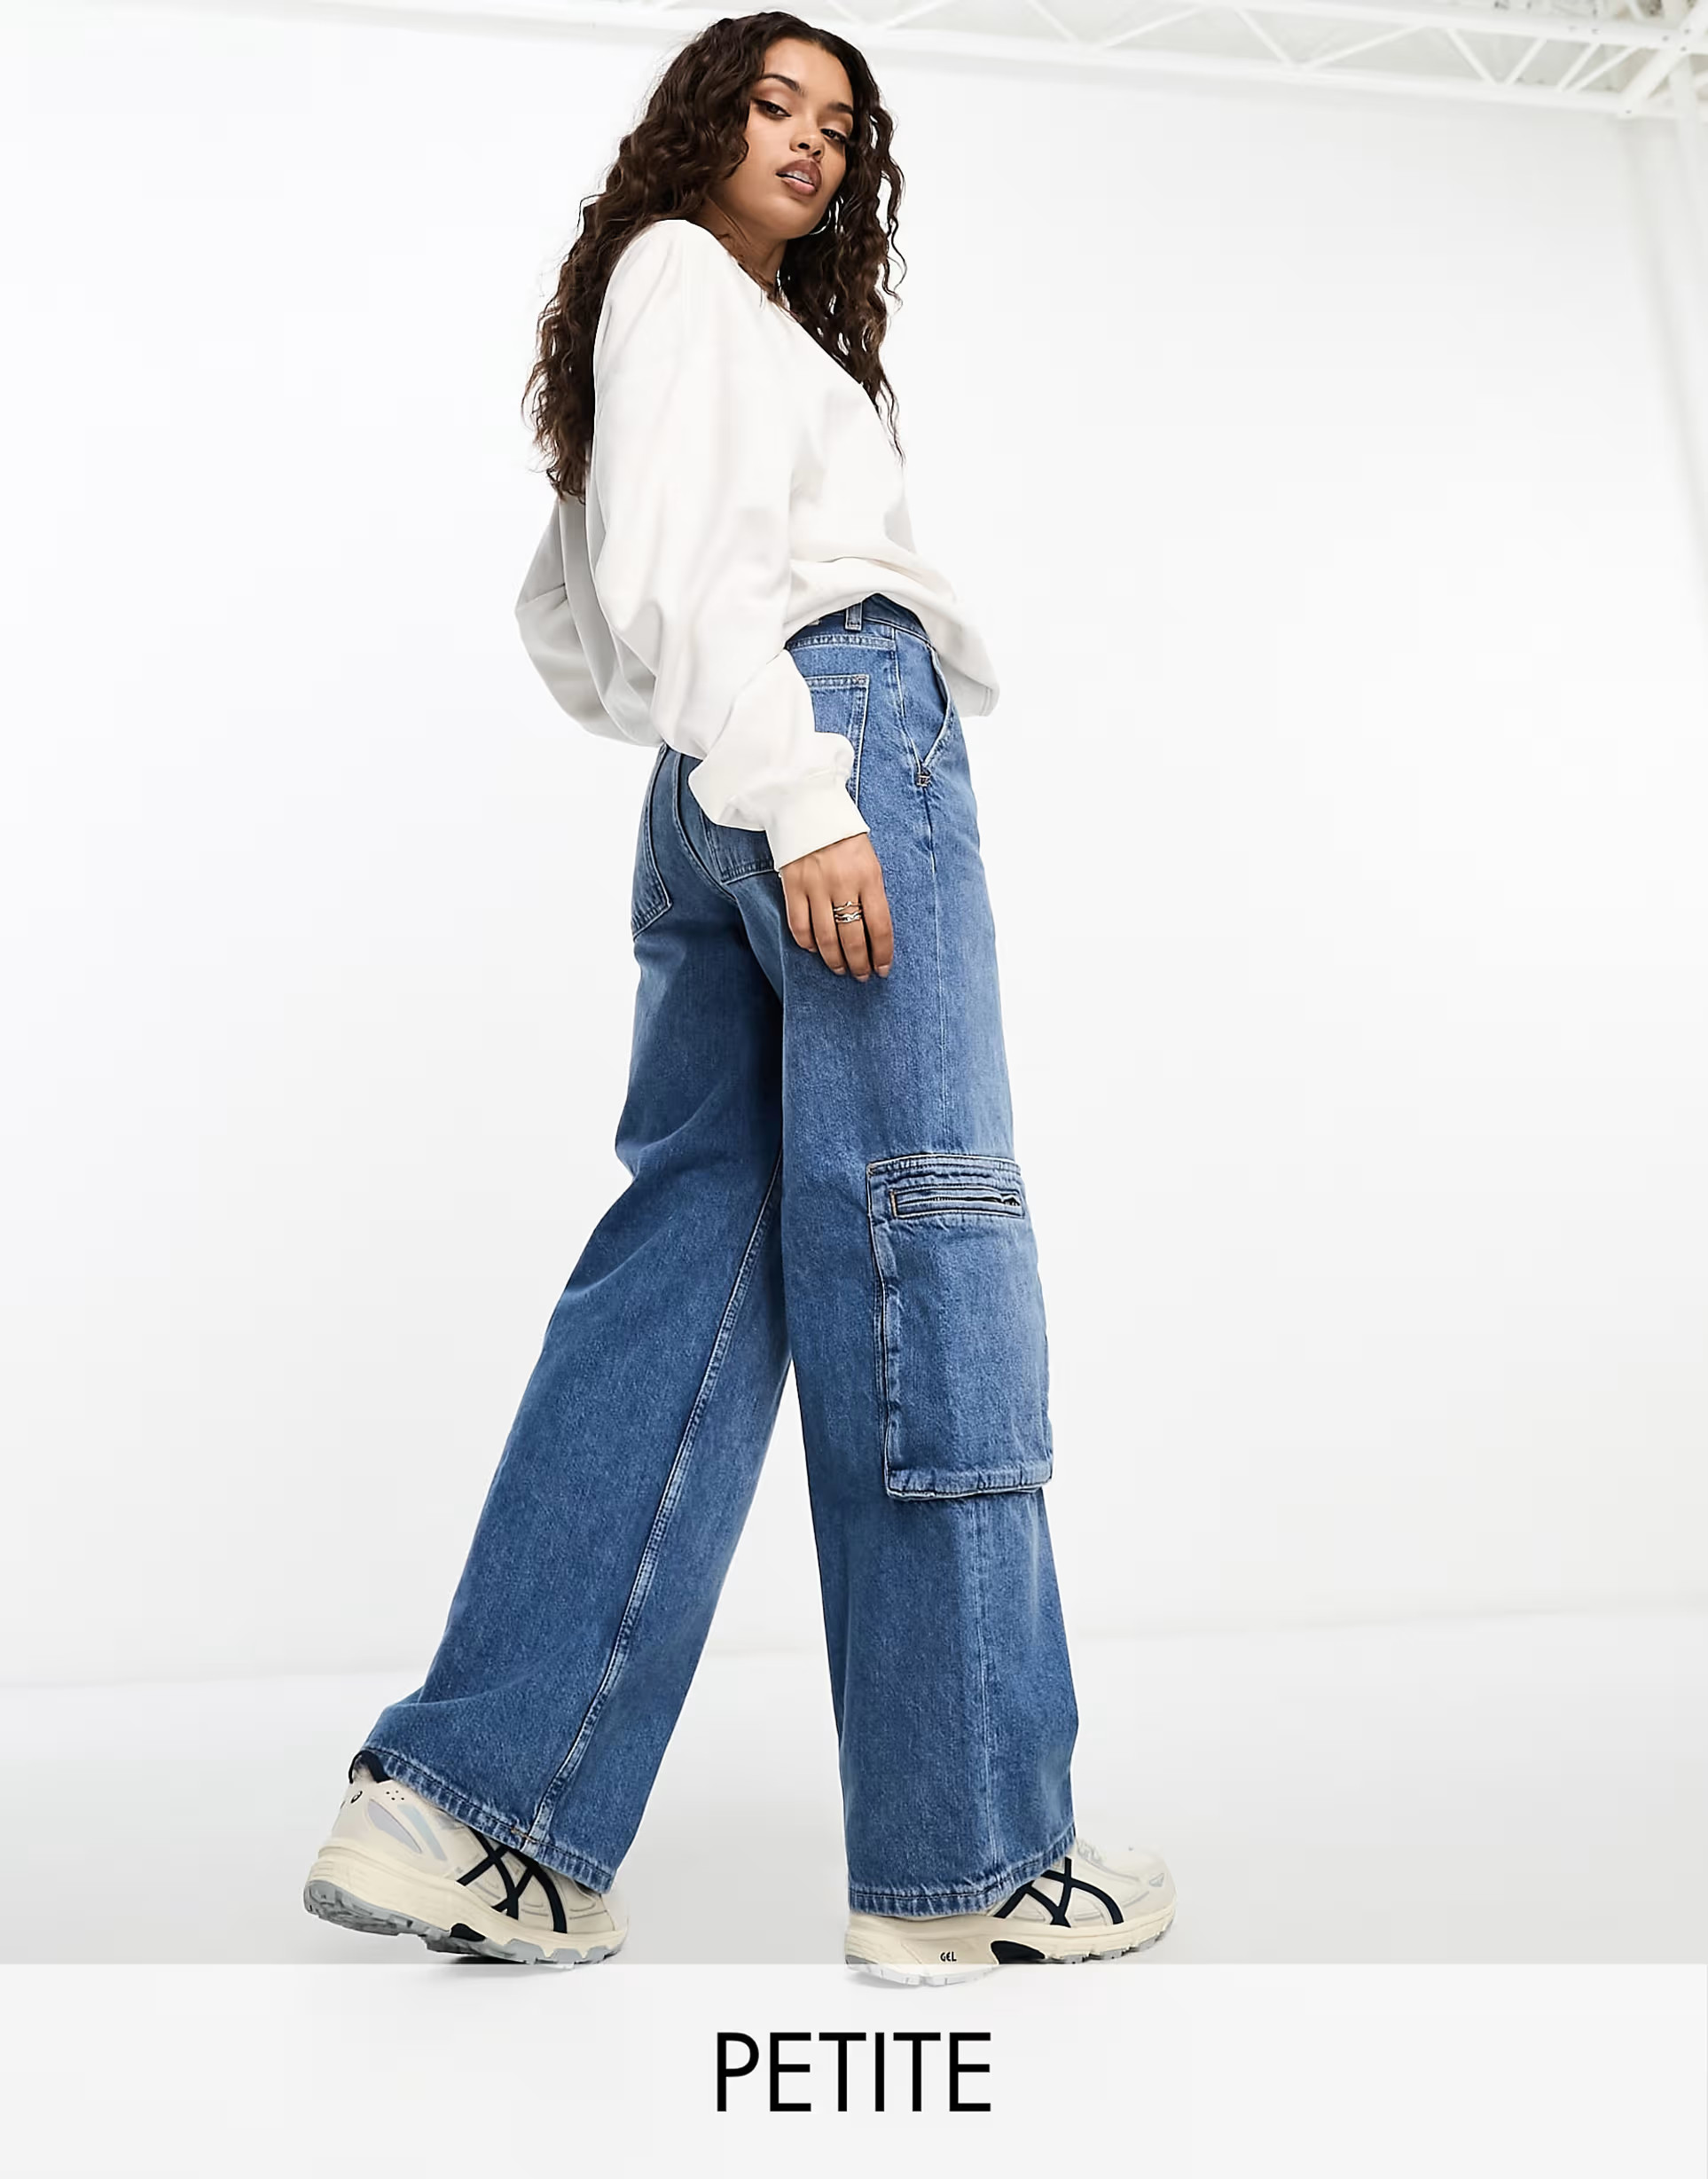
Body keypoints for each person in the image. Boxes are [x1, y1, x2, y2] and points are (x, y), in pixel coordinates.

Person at [302, 11, 1176, 1985]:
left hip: (720, 774)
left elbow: (577, 616)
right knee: (926, 1252)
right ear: (703, 119)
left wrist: (724, 751)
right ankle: (969, 1858)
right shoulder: (688, 281)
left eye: (837, 125)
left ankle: (472, 1808)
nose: (806, 141)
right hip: (824, 757)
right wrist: (802, 787)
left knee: (689, 1265)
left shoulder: (680, 319)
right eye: (772, 103)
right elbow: (677, 588)